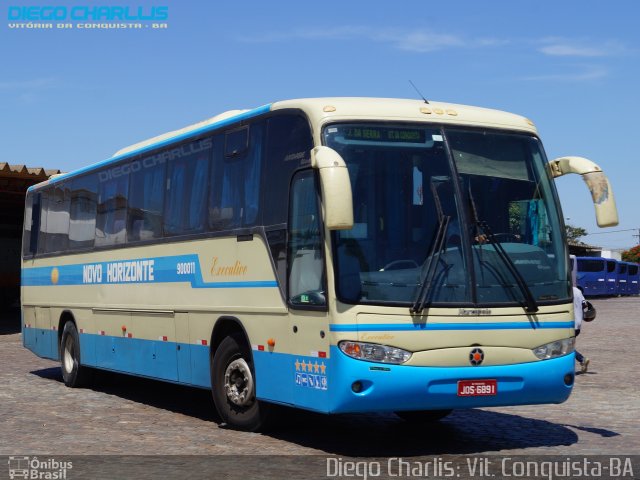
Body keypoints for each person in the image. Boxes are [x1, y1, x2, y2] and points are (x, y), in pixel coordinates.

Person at [573, 286, 590, 373]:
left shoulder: (563, 290)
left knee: (563, 347)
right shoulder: (577, 290)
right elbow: (585, 305)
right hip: (578, 323)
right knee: (568, 346)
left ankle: (582, 359)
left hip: (569, 324)